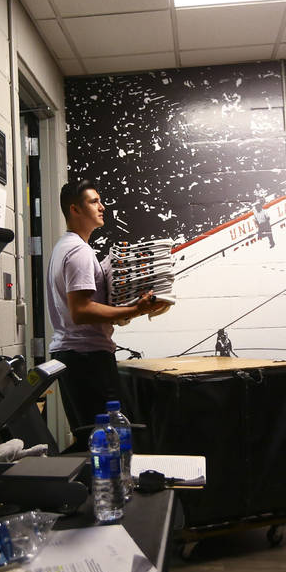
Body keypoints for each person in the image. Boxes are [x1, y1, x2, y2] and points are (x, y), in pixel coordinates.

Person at [46, 179, 164, 449]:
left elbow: (86, 309)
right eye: (93, 201)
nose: (102, 206)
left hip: (76, 357)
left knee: (93, 442)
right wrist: (136, 308)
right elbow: (81, 311)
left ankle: (95, 490)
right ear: (75, 209)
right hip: (87, 359)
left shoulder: (65, 247)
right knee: (109, 444)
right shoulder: (79, 252)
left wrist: (125, 310)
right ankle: (105, 491)